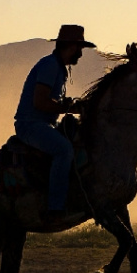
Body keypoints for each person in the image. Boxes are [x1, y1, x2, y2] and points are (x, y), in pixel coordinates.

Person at [13, 24, 95, 218]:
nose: (81, 54)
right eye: (80, 48)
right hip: (31, 125)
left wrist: (68, 105)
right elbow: (40, 102)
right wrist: (69, 108)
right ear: (72, 47)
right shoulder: (50, 66)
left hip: (43, 124)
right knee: (64, 150)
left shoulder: (57, 67)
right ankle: (55, 207)